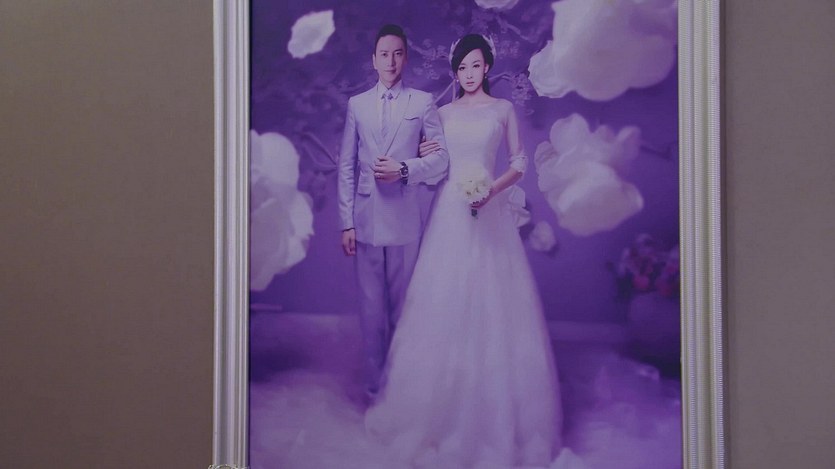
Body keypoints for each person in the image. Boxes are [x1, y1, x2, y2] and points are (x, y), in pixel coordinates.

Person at [365, 34, 563, 468]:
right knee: (444, 302)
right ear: (454, 72)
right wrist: (422, 156)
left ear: (487, 67)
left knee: (494, 305)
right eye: (462, 67)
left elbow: (519, 162)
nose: (469, 73)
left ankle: (493, 423)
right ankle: (435, 418)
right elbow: (433, 163)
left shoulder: (502, 110)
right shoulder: (442, 113)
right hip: (451, 214)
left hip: (489, 213)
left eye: (475, 65)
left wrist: (491, 190)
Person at [337, 24, 449, 401]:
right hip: (366, 217)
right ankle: (374, 390)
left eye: (397, 53)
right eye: (384, 54)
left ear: (406, 58)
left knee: (404, 309)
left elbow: (441, 160)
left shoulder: (422, 102)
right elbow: (346, 166)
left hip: (404, 217)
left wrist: (404, 169)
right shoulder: (357, 105)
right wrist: (346, 222)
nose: (391, 61)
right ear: (373, 60)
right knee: (371, 312)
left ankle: (402, 391)